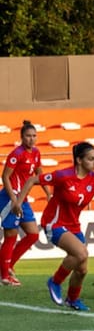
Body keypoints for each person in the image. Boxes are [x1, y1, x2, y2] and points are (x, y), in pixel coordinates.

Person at [12, 141, 94, 311]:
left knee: (82, 268)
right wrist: (18, 202)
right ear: (79, 160)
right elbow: (32, 179)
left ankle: (73, 299)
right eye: (91, 159)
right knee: (80, 253)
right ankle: (55, 281)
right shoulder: (63, 176)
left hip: (74, 226)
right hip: (54, 223)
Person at [0, 120, 50, 286]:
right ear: (22, 137)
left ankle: (7, 266)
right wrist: (14, 200)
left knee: (33, 234)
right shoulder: (17, 154)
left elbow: (38, 173)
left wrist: (48, 192)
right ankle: (5, 276)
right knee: (11, 235)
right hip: (11, 198)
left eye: (34, 136)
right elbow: (5, 176)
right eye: (28, 136)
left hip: (23, 199)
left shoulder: (36, 153)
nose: (31, 139)